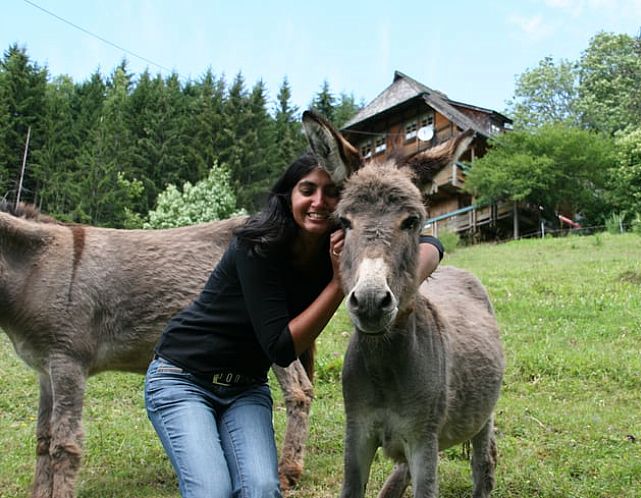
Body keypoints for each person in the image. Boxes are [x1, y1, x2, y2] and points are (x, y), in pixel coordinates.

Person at [144, 152, 444, 498]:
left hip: (244, 388)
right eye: (307, 190)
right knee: (213, 491)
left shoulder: (339, 241)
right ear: (289, 196)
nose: (318, 202)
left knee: (261, 489)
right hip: (183, 378)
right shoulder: (255, 244)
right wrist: (336, 284)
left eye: (329, 192)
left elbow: (431, 244)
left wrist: (399, 290)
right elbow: (281, 348)